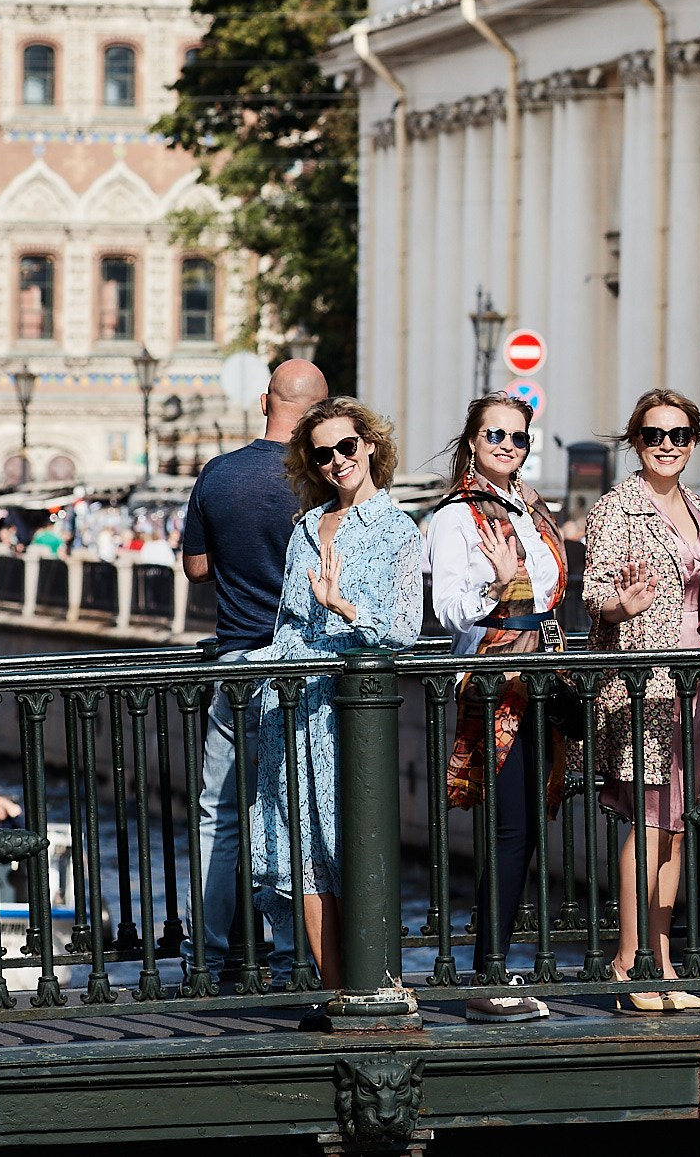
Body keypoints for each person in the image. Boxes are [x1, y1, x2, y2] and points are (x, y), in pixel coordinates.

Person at [249, 398, 421, 1021]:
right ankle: (336, 989)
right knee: (304, 849)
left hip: (351, 709)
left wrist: (345, 608)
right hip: (294, 704)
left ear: (370, 445)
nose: (336, 462)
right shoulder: (305, 525)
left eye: (346, 448)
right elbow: (289, 621)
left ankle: (373, 981)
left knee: (353, 842)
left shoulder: (397, 528)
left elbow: (402, 629)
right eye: (321, 454)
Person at [585, 390, 700, 1014]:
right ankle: (628, 961)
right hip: (645, 681)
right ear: (636, 442)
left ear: (694, 441)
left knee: (674, 828)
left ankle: (663, 960)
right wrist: (626, 606)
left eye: (679, 434)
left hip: (697, 681)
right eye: (653, 435)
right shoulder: (618, 508)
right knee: (649, 823)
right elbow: (594, 592)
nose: (667, 445)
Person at [182, 358, 325, 988]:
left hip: (238, 665)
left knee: (221, 812)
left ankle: (208, 959)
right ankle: (300, 957)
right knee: (298, 811)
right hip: (302, 671)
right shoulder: (325, 479)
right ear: (321, 412)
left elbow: (195, 567)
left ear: (264, 401)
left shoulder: (219, 474)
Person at [428, 393, 569, 1023]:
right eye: (495, 436)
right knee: (509, 825)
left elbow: (546, 592)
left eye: (517, 438)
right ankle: (488, 974)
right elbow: (452, 610)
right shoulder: (456, 517)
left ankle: (495, 963)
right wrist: (497, 581)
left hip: (541, 674)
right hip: (494, 680)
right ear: (472, 440)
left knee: (524, 826)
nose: (507, 447)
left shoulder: (531, 510)